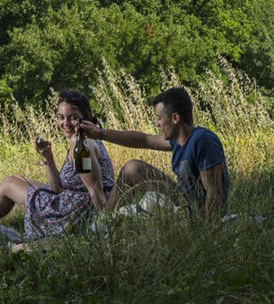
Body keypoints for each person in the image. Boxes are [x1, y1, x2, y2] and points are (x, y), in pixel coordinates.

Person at [0, 90, 115, 241]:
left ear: (86, 116)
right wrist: (48, 158)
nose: (65, 123)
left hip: (73, 214)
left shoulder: (82, 145)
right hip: (72, 202)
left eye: (73, 118)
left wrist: (103, 228)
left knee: (10, 184)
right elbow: (58, 188)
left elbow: (95, 189)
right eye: (61, 117)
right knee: (16, 178)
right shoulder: (87, 139)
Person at [78, 87, 230, 220]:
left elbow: (214, 193)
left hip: (197, 216)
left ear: (175, 118)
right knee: (133, 168)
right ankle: (106, 220)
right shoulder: (178, 141)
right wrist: (100, 134)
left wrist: (207, 235)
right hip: (184, 206)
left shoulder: (202, 140)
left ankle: (108, 221)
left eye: (159, 118)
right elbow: (143, 140)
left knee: (136, 178)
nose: (157, 124)